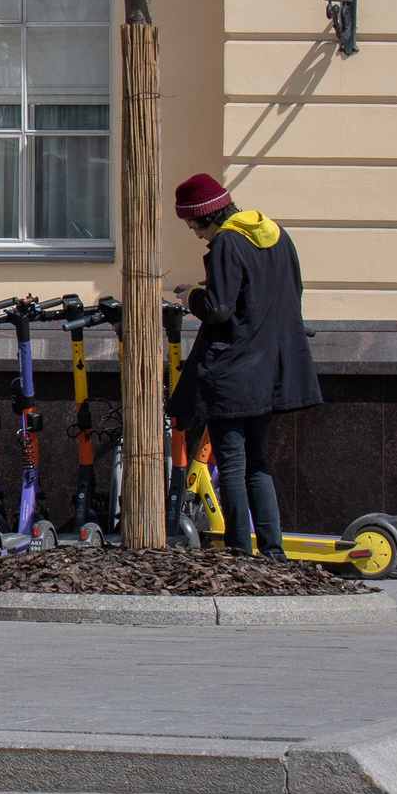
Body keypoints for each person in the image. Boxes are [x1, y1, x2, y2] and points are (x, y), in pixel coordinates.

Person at [166, 172, 320, 557]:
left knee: (232, 464)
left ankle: (237, 551)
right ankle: (272, 551)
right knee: (258, 462)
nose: (196, 235)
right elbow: (289, 294)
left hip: (232, 372)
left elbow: (219, 309)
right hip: (272, 369)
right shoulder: (277, 235)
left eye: (192, 226)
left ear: (206, 217)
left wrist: (192, 296)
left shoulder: (226, 243)